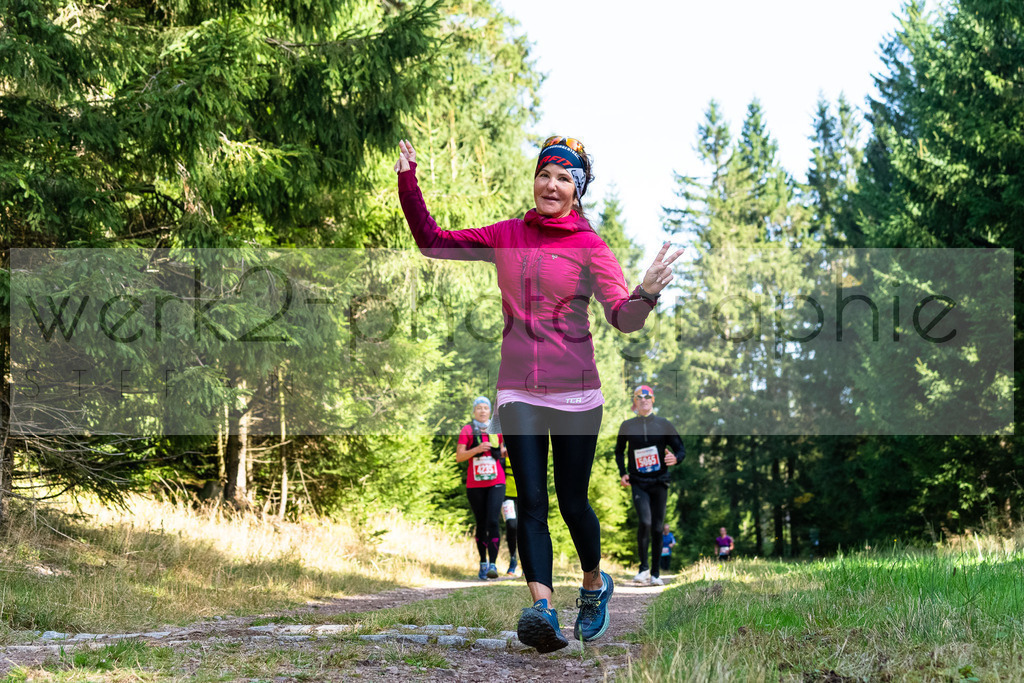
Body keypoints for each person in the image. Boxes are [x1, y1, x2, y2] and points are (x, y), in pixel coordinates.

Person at [396, 137, 683, 652]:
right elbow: (431, 240)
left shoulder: (592, 247)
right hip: (518, 389)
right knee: (529, 497)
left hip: (576, 392)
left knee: (572, 501)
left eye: (564, 178)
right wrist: (408, 181)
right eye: (545, 174)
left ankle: (595, 585)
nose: (552, 184)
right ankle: (542, 609)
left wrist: (647, 293)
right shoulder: (507, 235)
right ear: (535, 180)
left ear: (577, 190)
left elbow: (623, 318)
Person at [615, 385, 685, 587]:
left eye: (647, 396)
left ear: (653, 400)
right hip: (638, 482)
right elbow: (619, 452)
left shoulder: (664, 424)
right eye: (639, 396)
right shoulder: (627, 425)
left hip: (660, 481)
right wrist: (623, 473)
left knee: (657, 526)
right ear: (634, 401)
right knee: (644, 521)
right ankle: (643, 568)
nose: (644, 399)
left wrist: (676, 458)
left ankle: (655, 573)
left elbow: (680, 449)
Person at [456, 397, 506, 580]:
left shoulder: (497, 429)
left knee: (493, 521)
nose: (483, 411)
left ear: (490, 411)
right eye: (479, 408)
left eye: (486, 408)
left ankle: (493, 564)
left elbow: (502, 451)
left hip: (497, 481)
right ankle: (483, 563)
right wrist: (477, 449)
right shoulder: (468, 430)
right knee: (482, 523)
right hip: (475, 483)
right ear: (474, 411)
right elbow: (459, 456)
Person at [502, 457, 519, 576]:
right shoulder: (501, 459)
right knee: (511, 526)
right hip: (506, 497)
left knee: (524, 528)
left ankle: (526, 562)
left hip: (523, 496)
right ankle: (513, 559)